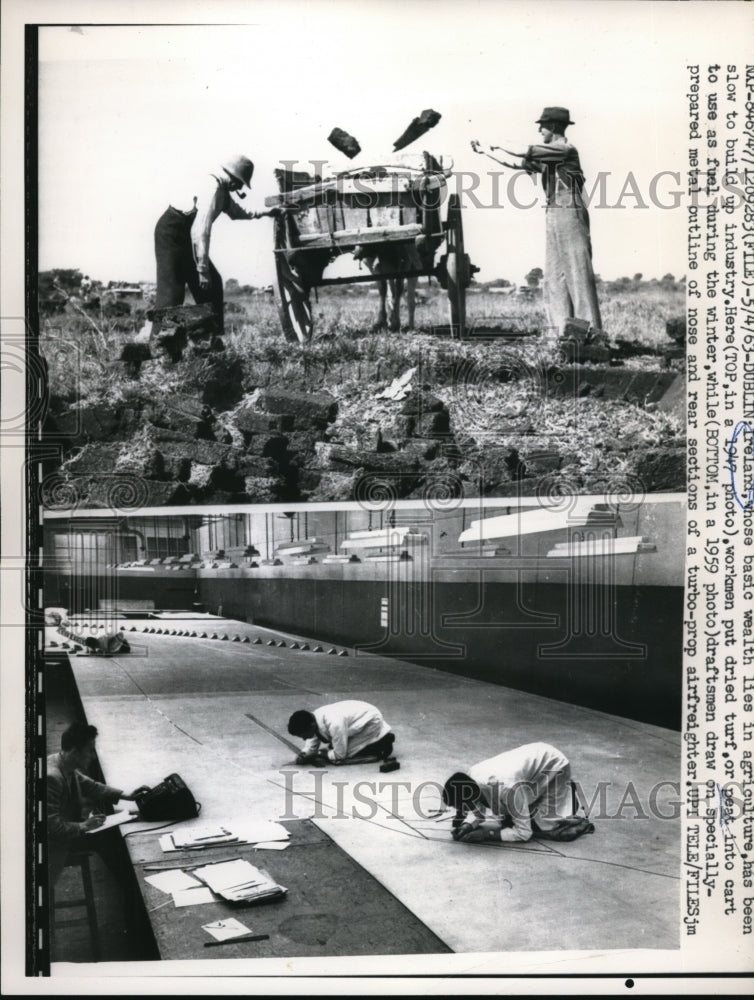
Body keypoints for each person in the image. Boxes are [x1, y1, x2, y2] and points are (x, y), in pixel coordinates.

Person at [481, 108, 601, 336]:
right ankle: (560, 334)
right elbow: (516, 163)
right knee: (554, 277)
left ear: (554, 127)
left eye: (542, 126)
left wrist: (496, 141)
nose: (539, 130)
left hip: (569, 209)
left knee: (577, 271)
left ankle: (591, 335)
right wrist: (486, 152)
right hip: (553, 210)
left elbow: (521, 151)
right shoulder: (549, 155)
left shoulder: (564, 149)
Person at [149, 155, 268, 340]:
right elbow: (200, 231)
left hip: (188, 238)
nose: (241, 188)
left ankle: (208, 340)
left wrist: (267, 212)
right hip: (172, 233)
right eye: (241, 183)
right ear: (233, 178)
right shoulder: (213, 188)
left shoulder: (223, 190)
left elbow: (237, 213)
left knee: (213, 286)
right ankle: (157, 346)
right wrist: (202, 270)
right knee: (172, 294)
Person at [46, 722, 149, 886]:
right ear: (75, 752)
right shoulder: (52, 778)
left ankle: (129, 888)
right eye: (90, 751)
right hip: (53, 846)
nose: (93, 756)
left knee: (109, 835)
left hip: (65, 831)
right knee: (108, 840)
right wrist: (84, 826)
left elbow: (91, 786)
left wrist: (127, 796)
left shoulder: (62, 762)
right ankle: (131, 888)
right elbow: (50, 828)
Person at [442, 742, 580, 843]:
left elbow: (524, 834)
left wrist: (487, 834)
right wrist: (469, 825)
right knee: (508, 817)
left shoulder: (508, 789)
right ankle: (536, 802)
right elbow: (479, 811)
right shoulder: (470, 778)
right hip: (532, 760)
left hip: (554, 765)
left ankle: (564, 796)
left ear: (471, 798)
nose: (462, 812)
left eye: (461, 807)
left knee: (542, 827)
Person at [288, 700, 395, 764]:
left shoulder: (334, 723)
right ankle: (375, 740)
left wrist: (322, 754)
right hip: (359, 717)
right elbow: (311, 743)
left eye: (303, 735)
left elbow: (339, 755)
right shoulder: (313, 718)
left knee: (340, 758)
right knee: (334, 748)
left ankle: (382, 743)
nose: (304, 739)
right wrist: (305, 754)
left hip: (371, 721)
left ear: (311, 726)